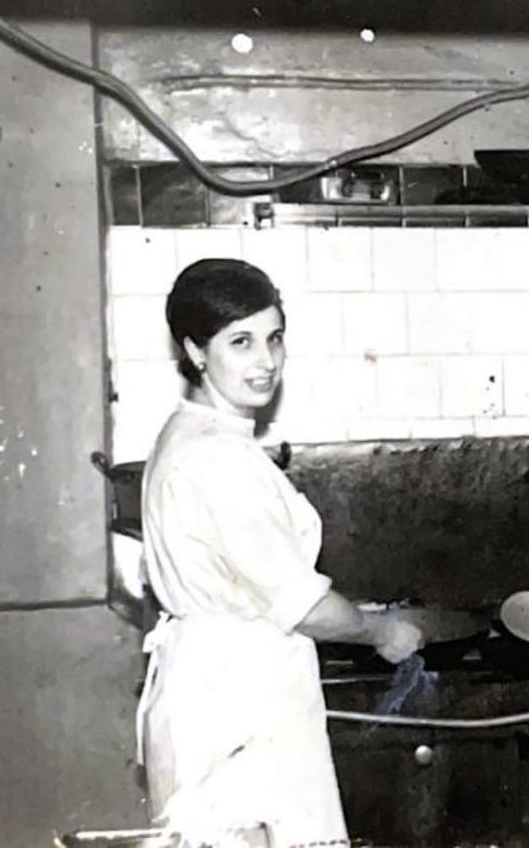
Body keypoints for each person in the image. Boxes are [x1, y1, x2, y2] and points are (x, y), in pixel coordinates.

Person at [136, 258, 423, 846]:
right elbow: (302, 606)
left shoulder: (191, 433)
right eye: (240, 342)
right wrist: (381, 630)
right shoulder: (219, 459)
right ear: (195, 352)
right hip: (237, 706)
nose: (265, 361)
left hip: (218, 692)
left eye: (274, 339)